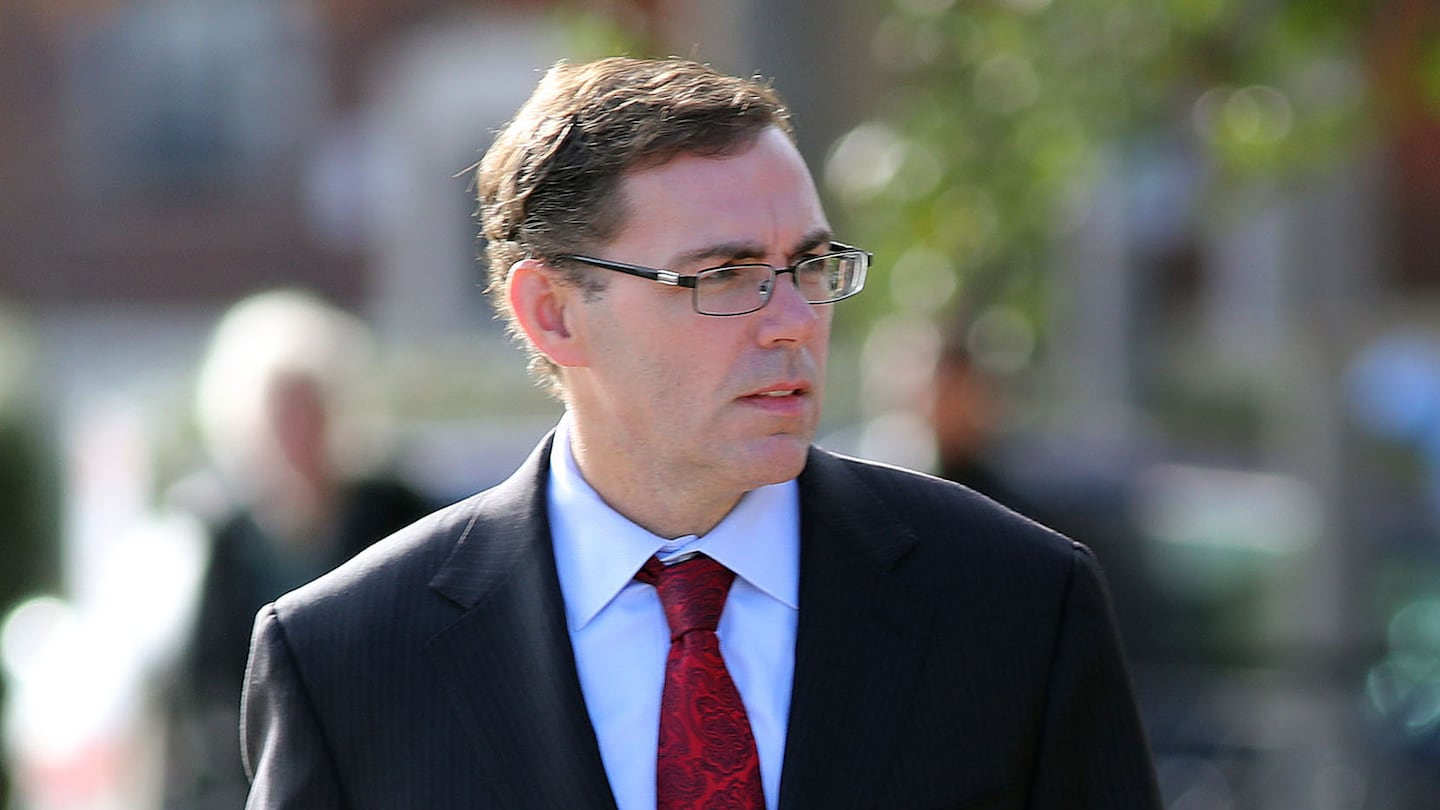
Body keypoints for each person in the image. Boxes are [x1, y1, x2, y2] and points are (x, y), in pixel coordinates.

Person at [241, 57, 1162, 809]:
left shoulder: (1016, 605)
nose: (794, 319)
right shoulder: (348, 661)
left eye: (809, 264)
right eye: (722, 276)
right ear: (554, 313)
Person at [162, 290, 435, 809]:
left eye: (306, 409)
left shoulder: (398, 518)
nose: (294, 433)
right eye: (277, 415)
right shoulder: (224, 541)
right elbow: (205, 703)